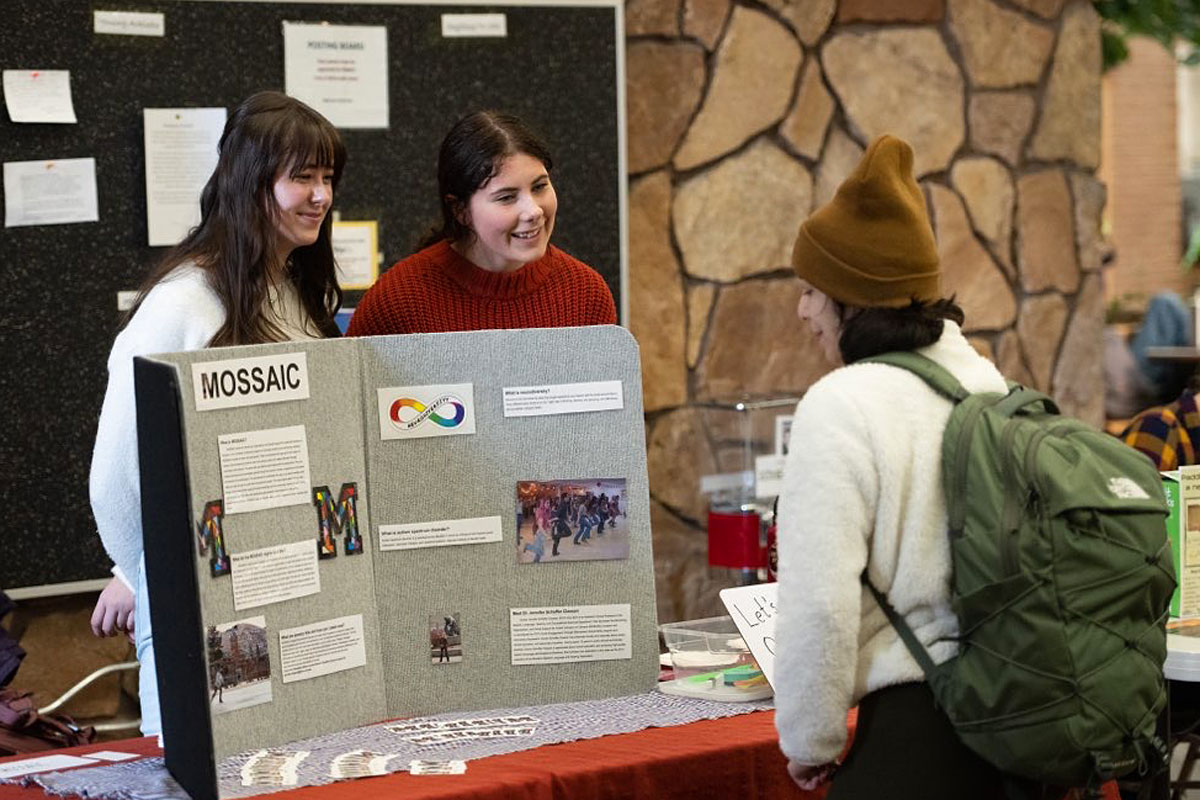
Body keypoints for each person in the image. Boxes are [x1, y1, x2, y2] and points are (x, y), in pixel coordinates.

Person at [87, 91, 346, 735]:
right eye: (302, 177)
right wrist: (145, 575)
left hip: (296, 591)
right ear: (252, 183)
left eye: (327, 178)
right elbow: (118, 476)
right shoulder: (183, 304)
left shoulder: (291, 292)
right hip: (208, 613)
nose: (320, 196)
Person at [775, 134, 1010, 798]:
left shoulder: (841, 404)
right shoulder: (986, 386)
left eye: (811, 292)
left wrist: (810, 739)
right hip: (1013, 724)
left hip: (913, 732)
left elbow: (819, 604)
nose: (802, 311)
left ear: (851, 298)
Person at [346, 110, 616, 335]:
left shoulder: (586, 294)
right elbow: (349, 394)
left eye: (539, 186)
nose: (533, 210)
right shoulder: (397, 300)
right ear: (461, 210)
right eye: (507, 197)